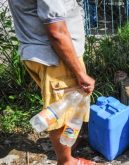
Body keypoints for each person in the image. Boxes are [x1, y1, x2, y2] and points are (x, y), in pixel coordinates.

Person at [8, 0, 96, 164]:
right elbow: (56, 32)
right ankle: (66, 161)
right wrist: (81, 73)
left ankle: (68, 151)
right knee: (60, 112)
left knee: (64, 108)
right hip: (56, 56)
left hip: (42, 51)